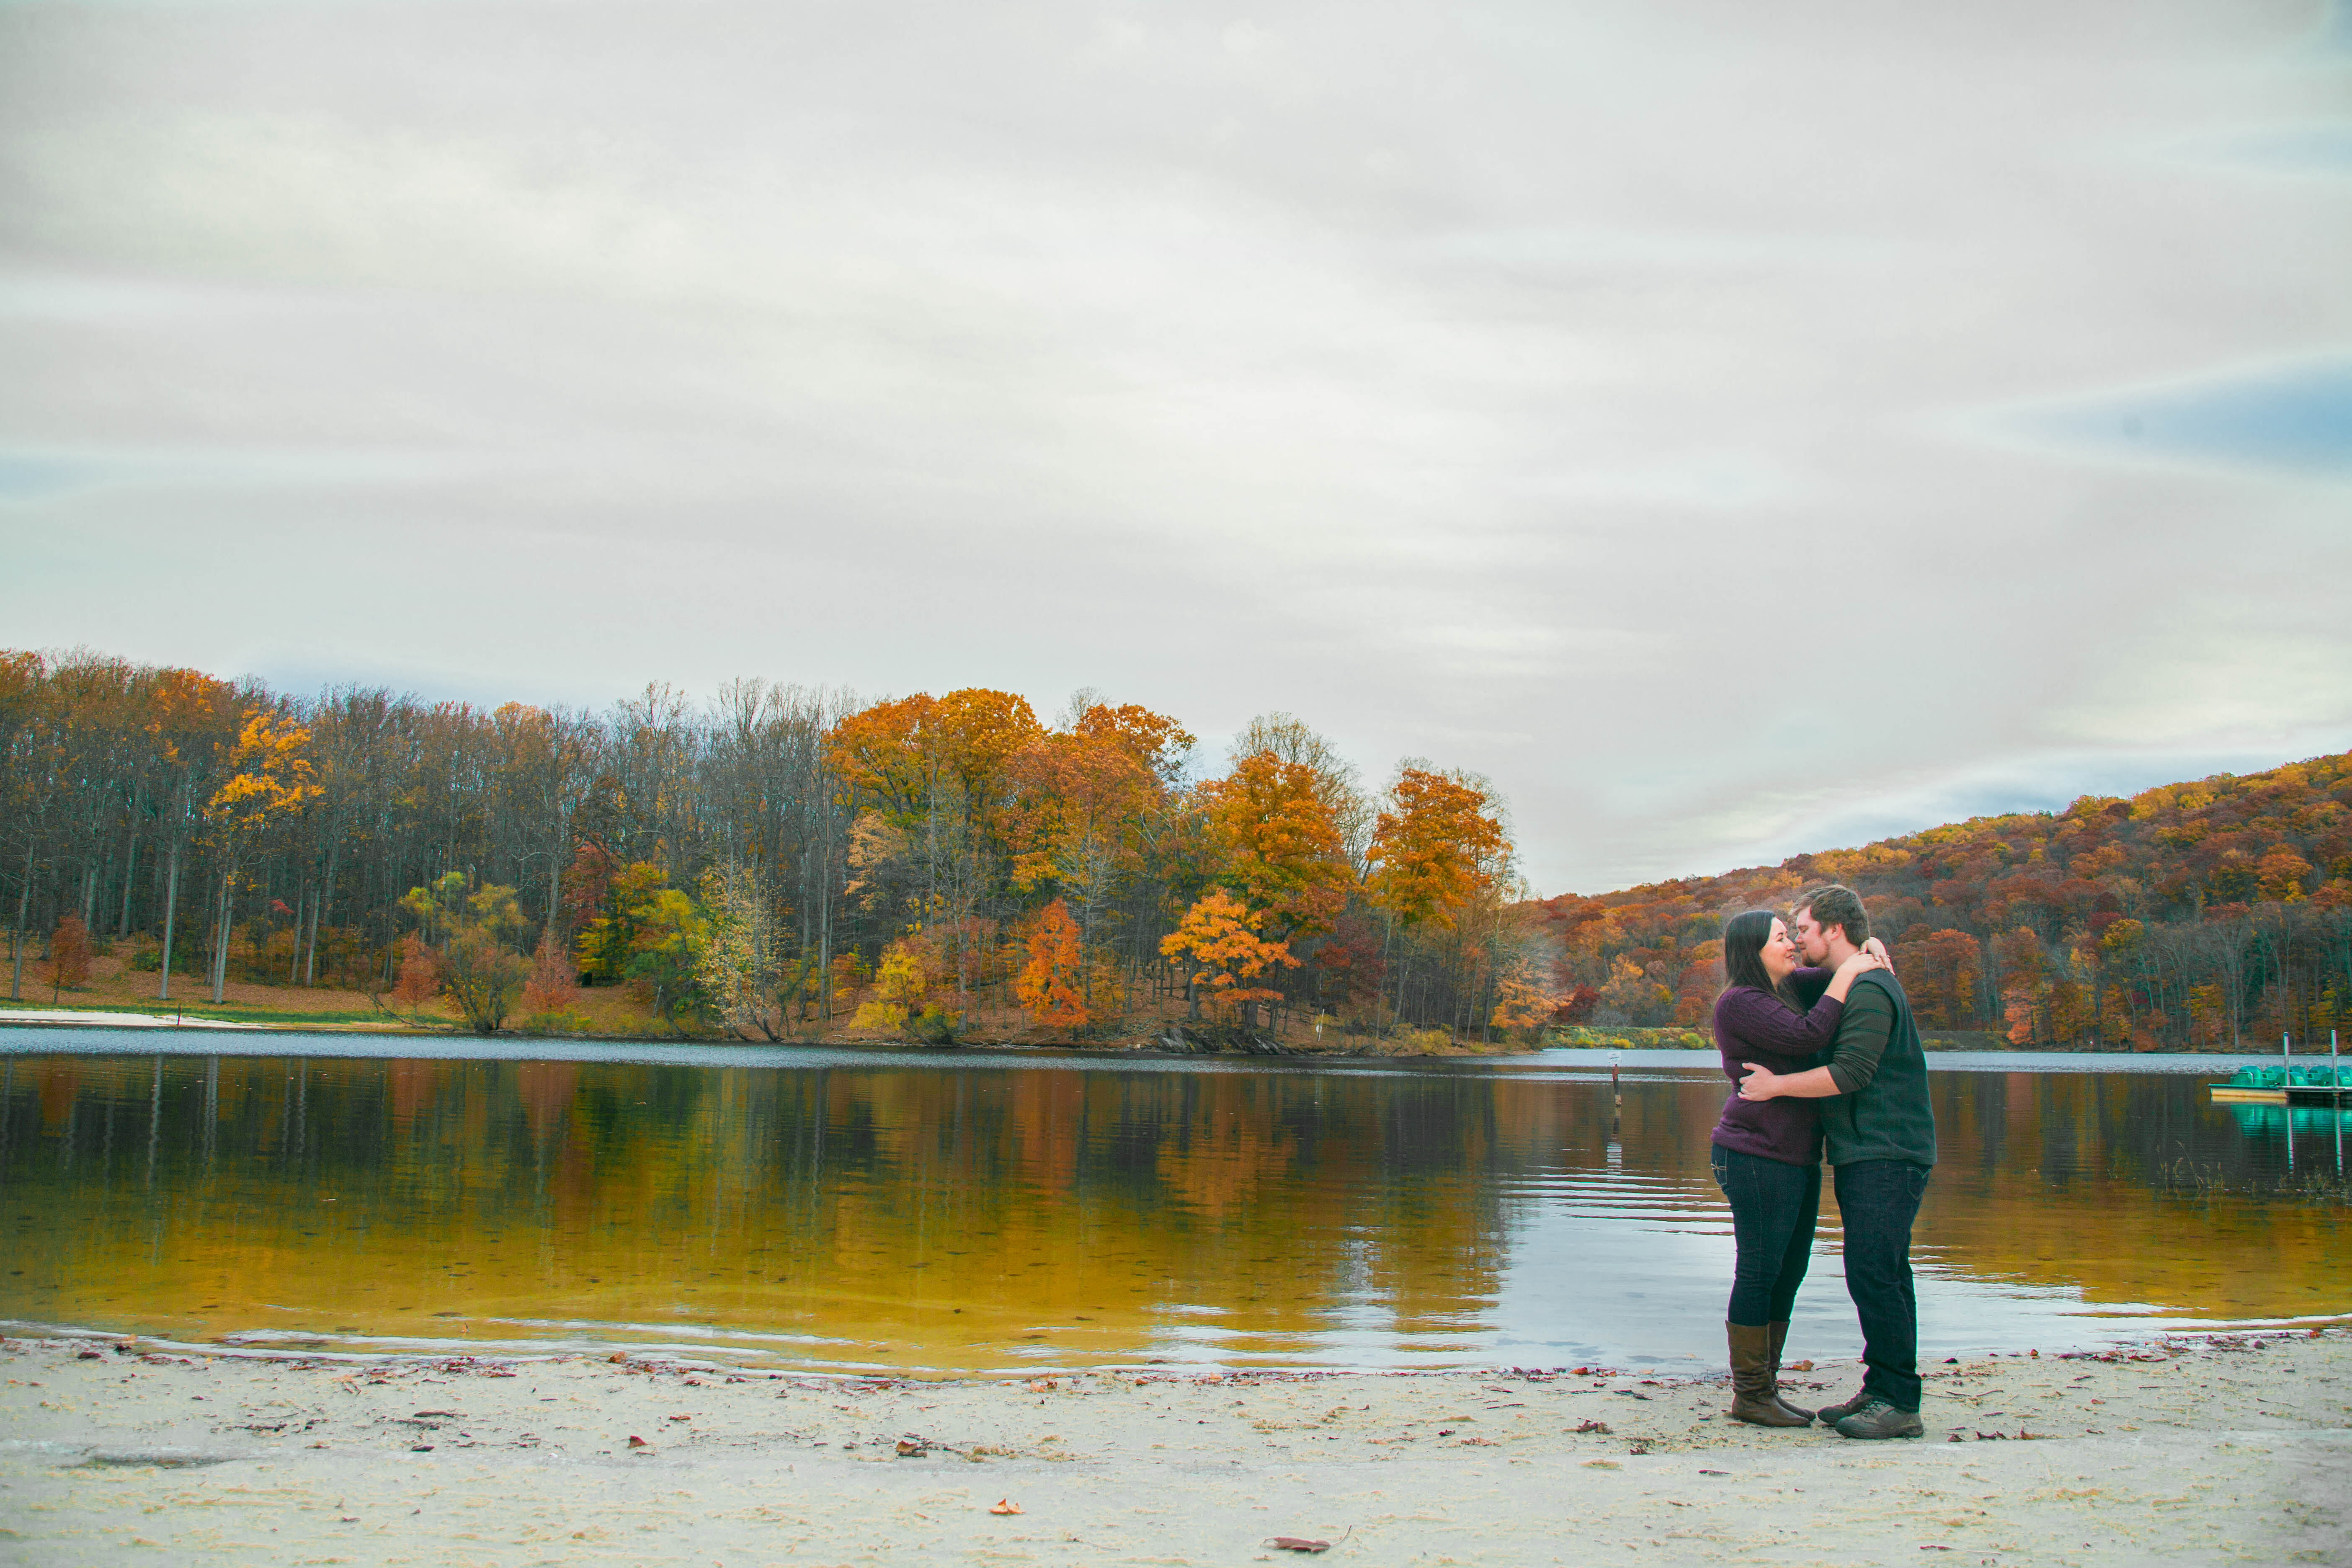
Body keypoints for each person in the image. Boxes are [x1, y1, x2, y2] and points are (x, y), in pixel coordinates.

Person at [1739, 883, 1937, 1440]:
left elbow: (1851, 1073)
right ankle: (1882, 1389)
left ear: (1833, 929)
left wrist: (1777, 1085)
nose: (1799, 940)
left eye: (1803, 929)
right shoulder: (1855, 980)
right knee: (1875, 1270)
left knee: (1878, 1271)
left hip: (1888, 1150)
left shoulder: (1872, 990)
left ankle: (1898, 1400)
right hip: (1867, 1151)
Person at [1708, 909, 1886, 1427]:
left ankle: (1765, 1386)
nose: (1791, 945)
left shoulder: (1785, 986)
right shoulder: (1742, 1003)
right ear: (1753, 951)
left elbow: (1836, 966)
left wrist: (1865, 949)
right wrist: (1853, 973)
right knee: (1760, 1270)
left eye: (1792, 935)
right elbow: (1809, 1036)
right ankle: (1751, 1395)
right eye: (1780, 938)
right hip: (1754, 1153)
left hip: (1794, 1155)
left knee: (1789, 1272)